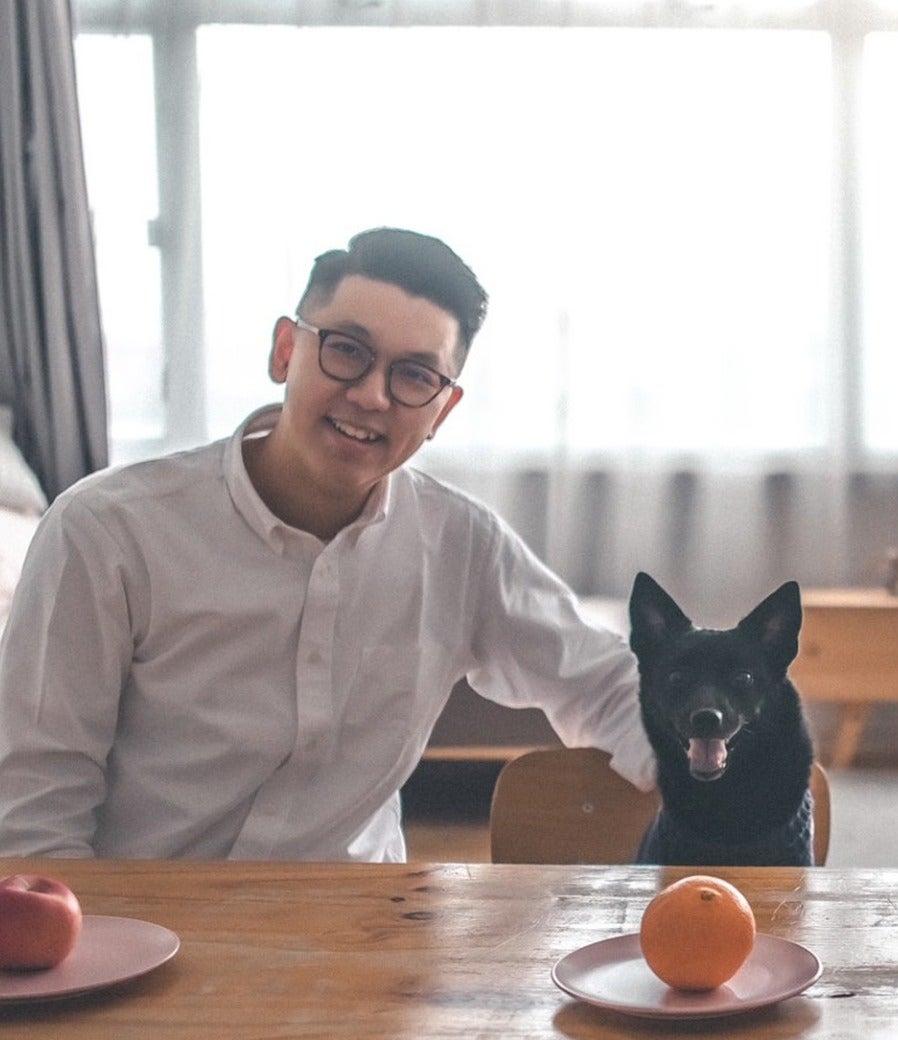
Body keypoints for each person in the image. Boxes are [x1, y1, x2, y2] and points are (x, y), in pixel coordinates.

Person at [0, 228, 652, 860]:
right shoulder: (107, 532)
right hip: (154, 929)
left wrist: (718, 783)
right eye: (345, 350)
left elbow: (611, 686)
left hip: (359, 928)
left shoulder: (462, 545)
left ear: (442, 412)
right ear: (286, 351)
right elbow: (34, 808)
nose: (370, 395)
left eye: (416, 376)